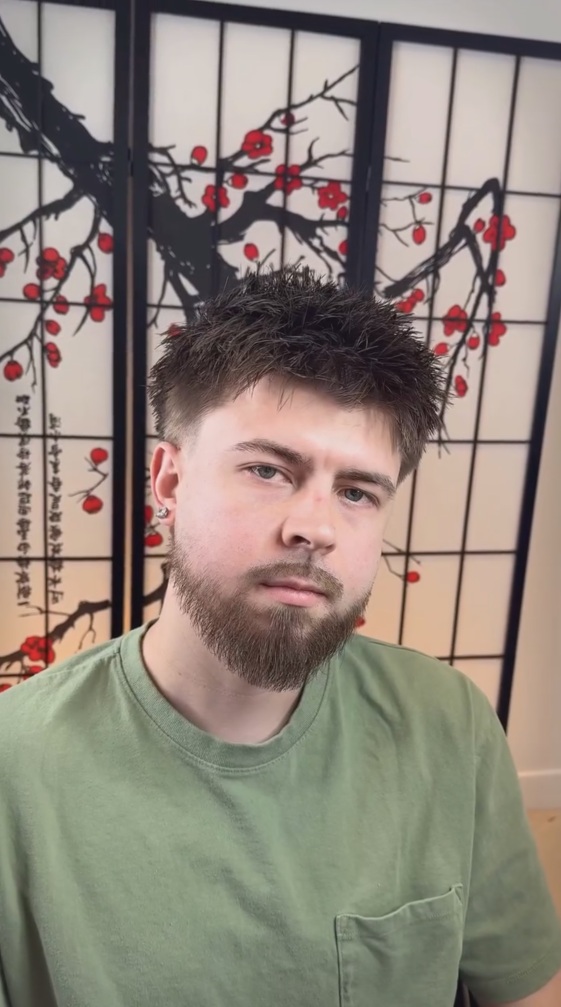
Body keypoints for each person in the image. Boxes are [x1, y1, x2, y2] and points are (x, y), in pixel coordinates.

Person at [0, 267, 560, 1007]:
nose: (316, 527)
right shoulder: (16, 766)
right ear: (169, 482)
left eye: (356, 491)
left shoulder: (447, 723)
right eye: (268, 470)